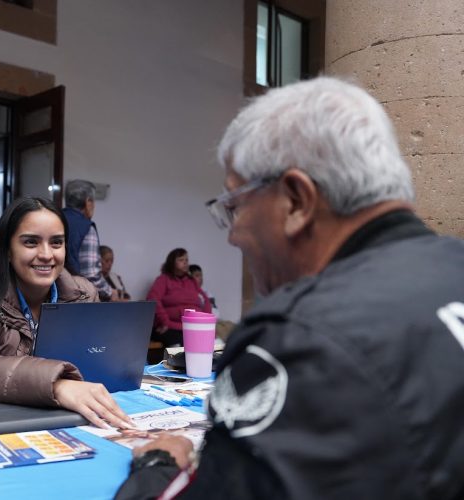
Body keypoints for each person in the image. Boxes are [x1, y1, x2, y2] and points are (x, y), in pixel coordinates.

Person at [116, 77, 464, 500]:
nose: (233, 235)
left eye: (236, 205)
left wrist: (157, 467)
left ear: (297, 201)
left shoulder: (301, 337)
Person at [0, 196, 133, 430]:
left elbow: (98, 358)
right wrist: (56, 385)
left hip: (74, 421)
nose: (47, 254)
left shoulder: (84, 292)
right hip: (4, 425)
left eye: (57, 243)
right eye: (31, 242)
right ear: (7, 249)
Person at [62, 180, 118, 302]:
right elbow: (91, 275)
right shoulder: (86, 227)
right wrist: (110, 291)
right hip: (74, 298)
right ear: (88, 202)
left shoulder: (55, 218)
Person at [146, 248, 212, 347]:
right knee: (180, 344)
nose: (185, 263)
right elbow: (153, 299)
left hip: (192, 326)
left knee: (210, 342)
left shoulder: (191, 281)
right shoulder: (163, 279)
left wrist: (206, 323)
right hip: (171, 327)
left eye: (186, 260)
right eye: (181, 260)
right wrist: (165, 322)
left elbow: (205, 300)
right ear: (172, 262)